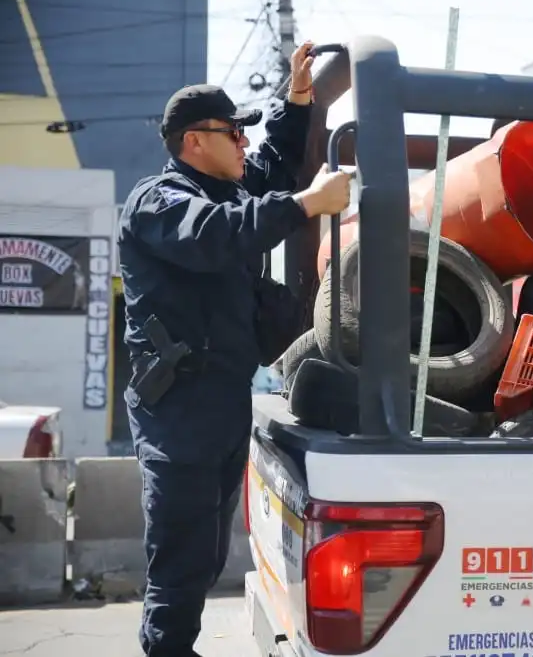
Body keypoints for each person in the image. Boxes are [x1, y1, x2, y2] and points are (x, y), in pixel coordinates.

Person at [117, 40, 351, 657]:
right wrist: (307, 203)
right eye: (233, 133)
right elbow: (215, 236)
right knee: (181, 559)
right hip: (178, 410)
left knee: (207, 552)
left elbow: (273, 162)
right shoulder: (159, 202)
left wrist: (297, 99)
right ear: (194, 141)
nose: (244, 143)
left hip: (220, 401)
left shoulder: (226, 189)